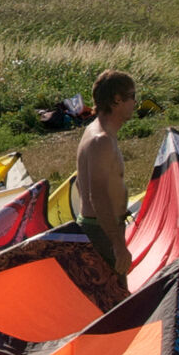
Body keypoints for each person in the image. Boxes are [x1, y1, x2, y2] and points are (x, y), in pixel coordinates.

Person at [73, 69, 140, 279]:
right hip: (101, 234)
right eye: (132, 96)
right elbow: (98, 196)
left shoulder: (98, 132)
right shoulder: (101, 140)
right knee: (117, 296)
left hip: (102, 229)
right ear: (117, 100)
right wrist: (118, 245)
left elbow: (80, 184)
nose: (135, 102)